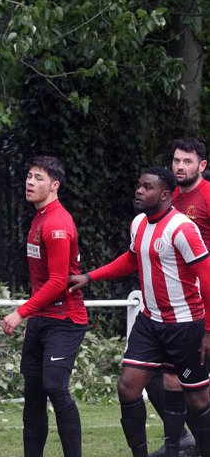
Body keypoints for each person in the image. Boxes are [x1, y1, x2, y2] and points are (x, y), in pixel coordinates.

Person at [69, 167, 210, 457]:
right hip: (150, 322)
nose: (139, 191)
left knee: (198, 400)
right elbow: (131, 259)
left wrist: (208, 330)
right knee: (128, 388)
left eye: (147, 187)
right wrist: (90, 276)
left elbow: (207, 279)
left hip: (185, 325)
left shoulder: (182, 229)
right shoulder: (138, 223)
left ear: (165, 195)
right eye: (139, 185)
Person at [0, 156, 88, 457]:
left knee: (54, 385)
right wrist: (32, 315)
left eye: (38, 178)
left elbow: (58, 281)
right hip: (42, 318)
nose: (30, 182)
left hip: (66, 318)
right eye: (29, 176)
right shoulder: (39, 218)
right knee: (34, 391)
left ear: (54, 185)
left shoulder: (57, 223)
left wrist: (20, 312)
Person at [149, 139, 210, 457]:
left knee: (196, 385)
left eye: (187, 161)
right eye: (176, 160)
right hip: (178, 307)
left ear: (202, 166)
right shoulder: (169, 196)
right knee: (153, 376)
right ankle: (188, 439)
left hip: (203, 306)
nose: (180, 166)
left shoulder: (208, 196)